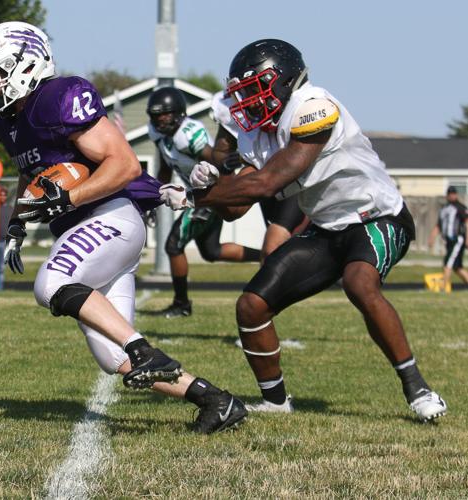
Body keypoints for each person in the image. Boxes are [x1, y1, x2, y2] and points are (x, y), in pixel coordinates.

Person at [0, 21, 246, 433]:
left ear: (24, 65)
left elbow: (125, 164)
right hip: (87, 230)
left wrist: (70, 198)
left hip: (110, 216)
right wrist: (16, 225)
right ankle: (215, 401)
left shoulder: (58, 96)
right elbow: (33, 174)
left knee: (52, 284)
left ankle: (143, 347)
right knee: (113, 357)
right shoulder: (8, 121)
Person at [160, 39, 446, 421]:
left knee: (359, 283)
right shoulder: (258, 132)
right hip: (327, 228)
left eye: (252, 89)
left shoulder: (313, 107)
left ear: (281, 82)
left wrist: (197, 198)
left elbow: (267, 182)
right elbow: (236, 210)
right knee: (251, 305)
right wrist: (210, 182)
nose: (246, 100)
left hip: (376, 218)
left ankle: (417, 387)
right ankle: (276, 402)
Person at [146, 87, 262, 318]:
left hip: (209, 193)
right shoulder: (161, 136)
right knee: (211, 251)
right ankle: (265, 257)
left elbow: (215, 162)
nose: (160, 120)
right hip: (201, 194)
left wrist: (230, 165)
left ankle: (182, 304)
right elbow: (166, 167)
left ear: (178, 113)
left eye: (165, 114)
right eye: (156, 115)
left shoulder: (188, 134)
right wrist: (152, 199)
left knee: (173, 245)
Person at [208, 90, 307, 261]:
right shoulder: (249, 136)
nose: (251, 103)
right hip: (267, 179)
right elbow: (231, 210)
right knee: (274, 256)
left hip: (296, 183)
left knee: (273, 250)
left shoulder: (301, 107)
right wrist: (220, 173)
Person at [427, 186, 468, 289]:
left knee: (447, 263)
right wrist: (432, 237)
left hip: (457, 239)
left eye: (453, 193)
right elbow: (438, 225)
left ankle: (443, 288)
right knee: (457, 267)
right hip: (449, 241)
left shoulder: (460, 208)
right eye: (450, 194)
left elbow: (467, 223)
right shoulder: (444, 209)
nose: (452, 195)